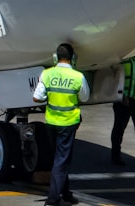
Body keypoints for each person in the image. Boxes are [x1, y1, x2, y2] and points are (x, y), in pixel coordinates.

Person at [33, 42, 91, 206]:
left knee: (59, 158)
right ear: (73, 58)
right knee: (61, 160)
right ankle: (52, 199)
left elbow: (36, 97)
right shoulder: (78, 77)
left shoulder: (47, 74)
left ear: (55, 57)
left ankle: (66, 193)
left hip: (51, 122)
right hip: (68, 123)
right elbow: (85, 97)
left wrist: (50, 96)